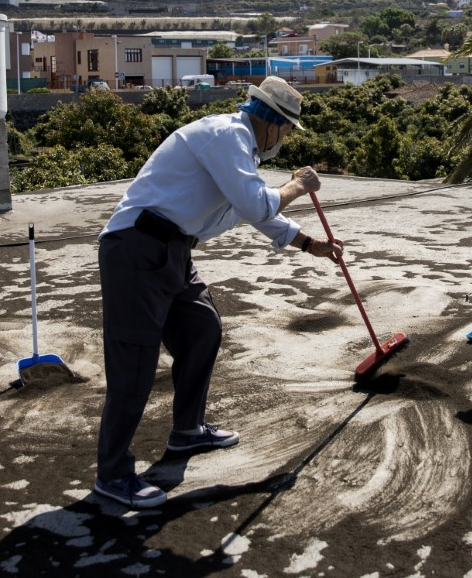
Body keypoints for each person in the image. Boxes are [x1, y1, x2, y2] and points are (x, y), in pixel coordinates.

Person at [93, 76, 343, 509]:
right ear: (272, 122)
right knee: (134, 360)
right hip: (137, 248)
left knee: (201, 327)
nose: (282, 140)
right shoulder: (227, 135)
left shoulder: (239, 151)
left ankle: (187, 431)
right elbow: (259, 205)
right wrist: (298, 187)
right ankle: (112, 473)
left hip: (172, 250)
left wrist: (309, 243)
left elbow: (253, 210)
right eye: (285, 131)